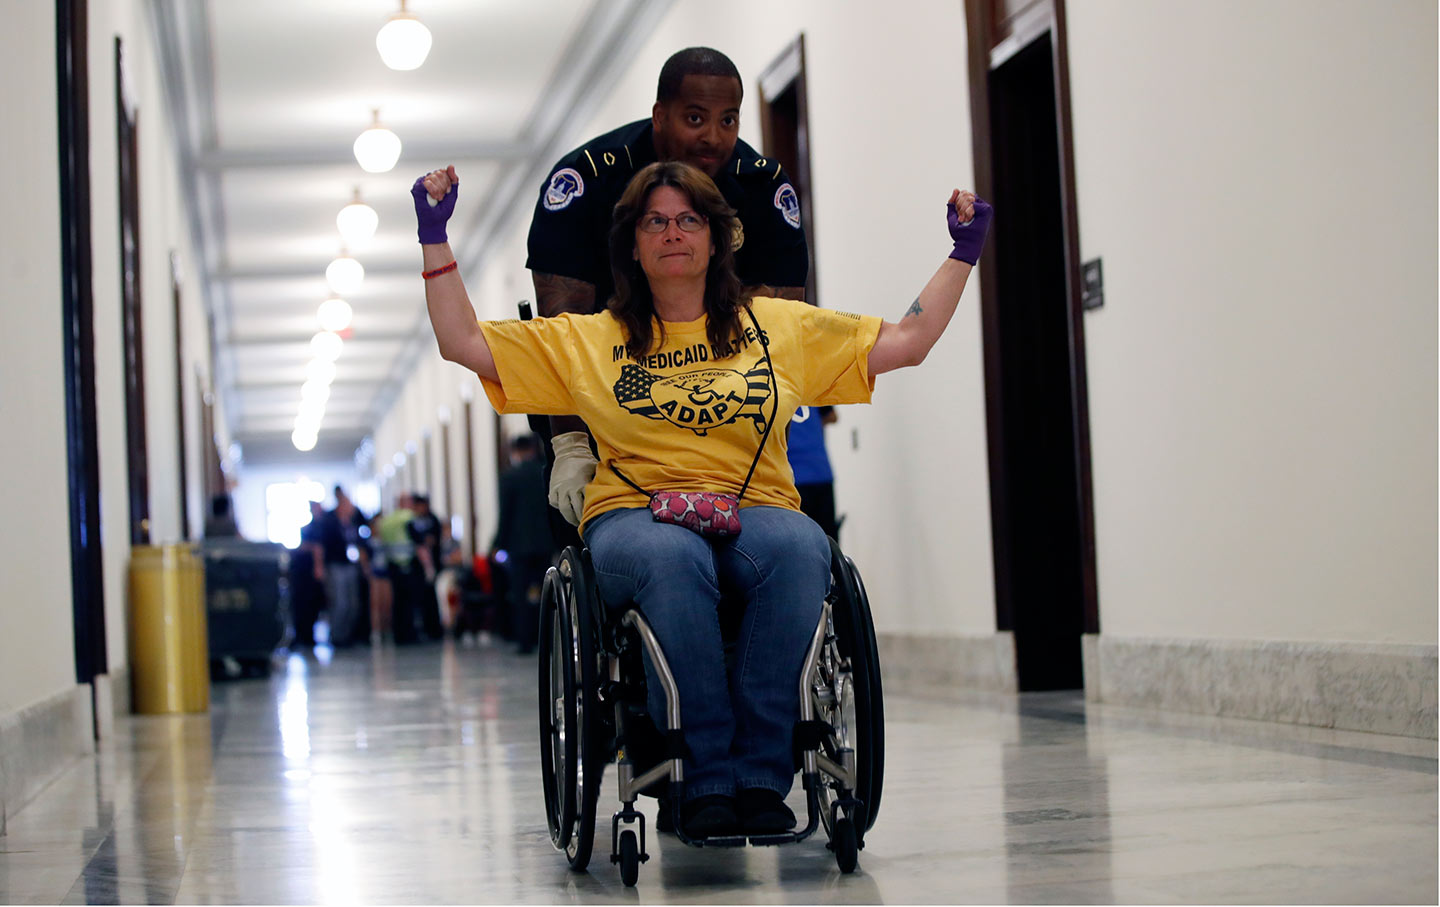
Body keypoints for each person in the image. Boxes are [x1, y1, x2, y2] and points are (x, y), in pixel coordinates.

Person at [411, 159, 991, 837]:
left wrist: (964, 250)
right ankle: (704, 773)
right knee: (673, 558)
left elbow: (908, 340)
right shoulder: (590, 338)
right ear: (632, 242)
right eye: (654, 221)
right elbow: (464, 342)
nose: (673, 233)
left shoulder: (777, 327)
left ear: (718, 237)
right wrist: (434, 236)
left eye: (689, 219)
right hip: (635, 516)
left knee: (804, 549)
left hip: (757, 508)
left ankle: (761, 776)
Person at [526, 46, 810, 540]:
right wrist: (571, 444)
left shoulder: (762, 189)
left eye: (728, 120)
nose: (713, 138)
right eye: (695, 118)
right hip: (609, 399)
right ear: (660, 116)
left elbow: (777, 337)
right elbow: (559, 335)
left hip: (725, 400)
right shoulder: (590, 180)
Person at [492, 433, 556, 654]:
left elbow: (505, 515)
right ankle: (545, 638)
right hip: (544, 542)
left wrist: (498, 543)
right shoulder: (544, 472)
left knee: (520, 594)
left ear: (515, 452)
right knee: (544, 590)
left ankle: (524, 640)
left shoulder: (509, 477)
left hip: (518, 546)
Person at [786, 405, 839, 541]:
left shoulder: (774, 393)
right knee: (828, 543)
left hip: (793, 480)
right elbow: (832, 416)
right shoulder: (814, 389)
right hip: (819, 473)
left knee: (801, 543)